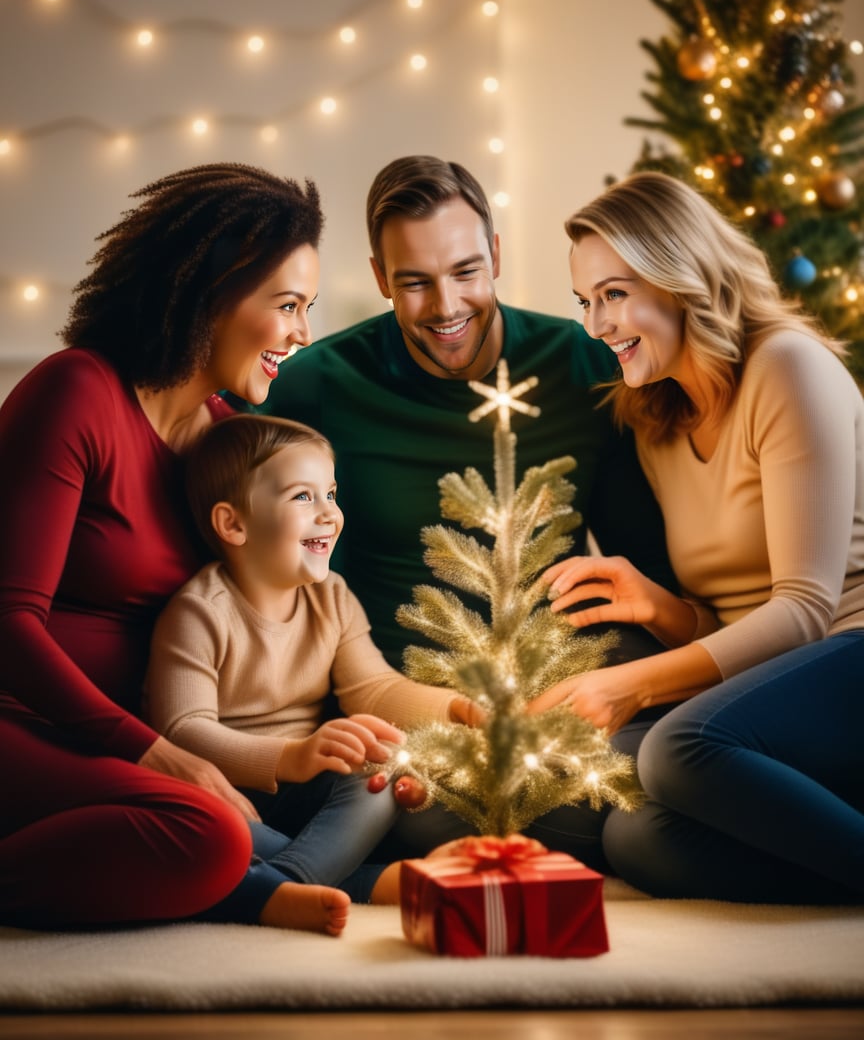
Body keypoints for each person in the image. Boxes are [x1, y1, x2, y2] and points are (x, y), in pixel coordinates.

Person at [257, 154, 677, 866]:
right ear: (381, 278)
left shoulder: (586, 364)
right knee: (430, 819)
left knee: (667, 763)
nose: (447, 306)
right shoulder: (315, 387)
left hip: (558, 684)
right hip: (407, 704)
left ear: (497, 256)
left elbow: (646, 559)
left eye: (465, 272)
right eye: (415, 282)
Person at [0, 161, 367, 935]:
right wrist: (155, 754)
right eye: (289, 305)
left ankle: (266, 876)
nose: (304, 331)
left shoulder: (227, 444)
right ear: (214, 295)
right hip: (24, 726)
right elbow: (9, 624)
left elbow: (291, 587)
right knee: (207, 832)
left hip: (130, 744)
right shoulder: (77, 391)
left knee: (329, 795)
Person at [533, 169, 864, 904]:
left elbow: (807, 611)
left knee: (676, 752)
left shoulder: (787, 367)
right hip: (777, 690)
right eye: (585, 302)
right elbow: (745, 629)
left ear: (681, 276)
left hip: (851, 656)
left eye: (614, 294)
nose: (595, 325)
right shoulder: (657, 420)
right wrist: (664, 610)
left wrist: (628, 685)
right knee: (630, 831)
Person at [146, 413, 480, 906]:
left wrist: (457, 709)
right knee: (215, 833)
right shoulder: (200, 611)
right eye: (303, 497)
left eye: (331, 494)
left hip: (308, 794)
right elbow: (184, 731)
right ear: (233, 523)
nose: (328, 513)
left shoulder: (333, 598)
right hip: (228, 792)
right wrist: (291, 757)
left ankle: (278, 885)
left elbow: (374, 689)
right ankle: (301, 888)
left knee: (380, 771)